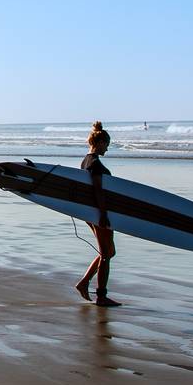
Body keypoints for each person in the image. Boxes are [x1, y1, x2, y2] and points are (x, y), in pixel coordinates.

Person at [74, 121, 120, 306]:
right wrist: (103, 214)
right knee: (106, 254)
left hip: (92, 213)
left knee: (108, 251)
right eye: (107, 145)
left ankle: (84, 283)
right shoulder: (94, 164)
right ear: (100, 142)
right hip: (99, 213)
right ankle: (101, 295)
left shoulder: (86, 160)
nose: (107, 149)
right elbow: (98, 191)